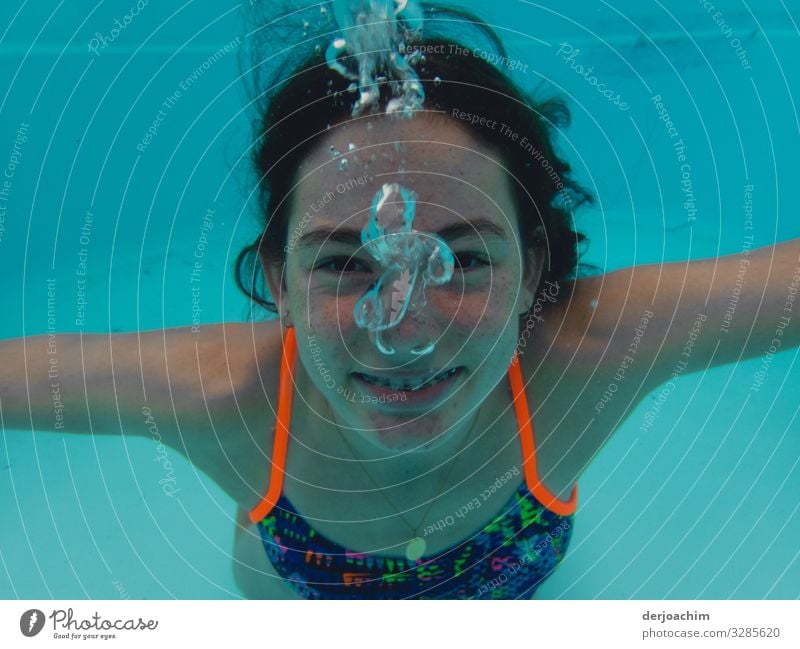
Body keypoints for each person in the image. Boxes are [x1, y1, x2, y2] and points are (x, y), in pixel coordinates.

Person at [1, 7, 799, 599]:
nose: (405, 330)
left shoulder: (587, 357)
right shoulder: (221, 399)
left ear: (532, 270)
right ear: (278, 281)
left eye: (466, 259)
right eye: (346, 267)